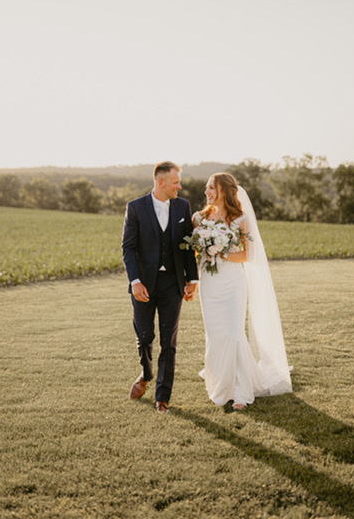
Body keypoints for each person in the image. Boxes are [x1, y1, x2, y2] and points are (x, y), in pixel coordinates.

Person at [193, 172, 292, 412]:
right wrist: (204, 248)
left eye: (211, 188)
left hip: (233, 283)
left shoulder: (241, 219)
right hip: (210, 282)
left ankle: (240, 390)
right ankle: (220, 382)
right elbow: (194, 251)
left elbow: (247, 255)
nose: (206, 192)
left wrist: (219, 250)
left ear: (224, 191)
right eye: (206, 187)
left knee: (233, 332)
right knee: (217, 334)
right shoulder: (199, 218)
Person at [122, 161, 198, 413]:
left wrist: (192, 279)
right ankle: (146, 373)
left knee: (169, 341)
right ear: (161, 181)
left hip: (172, 285)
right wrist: (135, 282)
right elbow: (128, 248)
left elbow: (187, 246)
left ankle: (162, 397)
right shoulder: (135, 208)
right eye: (176, 182)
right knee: (144, 337)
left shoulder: (182, 206)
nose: (180, 186)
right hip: (143, 283)